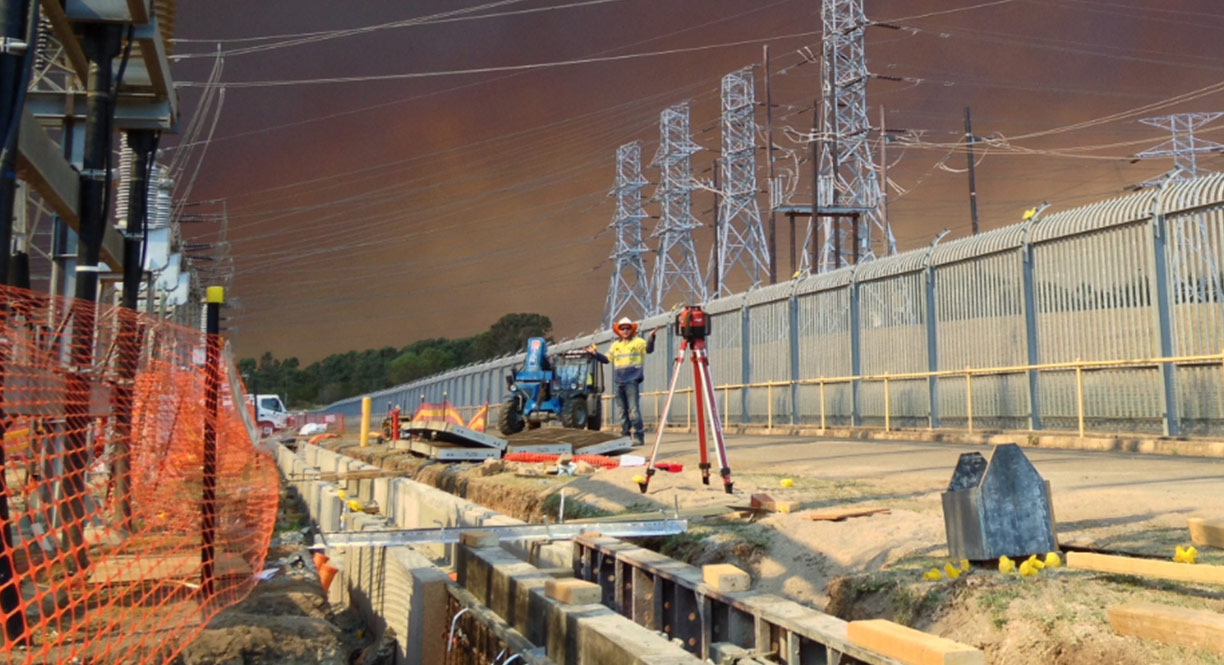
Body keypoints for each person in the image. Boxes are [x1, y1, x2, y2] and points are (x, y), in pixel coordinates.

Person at [587, 317, 657, 446]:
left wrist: (651, 338)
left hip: (632, 380)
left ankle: (638, 436)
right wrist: (595, 354)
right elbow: (607, 359)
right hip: (619, 381)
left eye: (627, 328)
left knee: (633, 410)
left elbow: (648, 350)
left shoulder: (638, 342)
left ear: (632, 329)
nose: (625, 330)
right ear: (618, 330)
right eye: (622, 328)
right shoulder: (615, 345)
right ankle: (625, 436)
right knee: (622, 412)